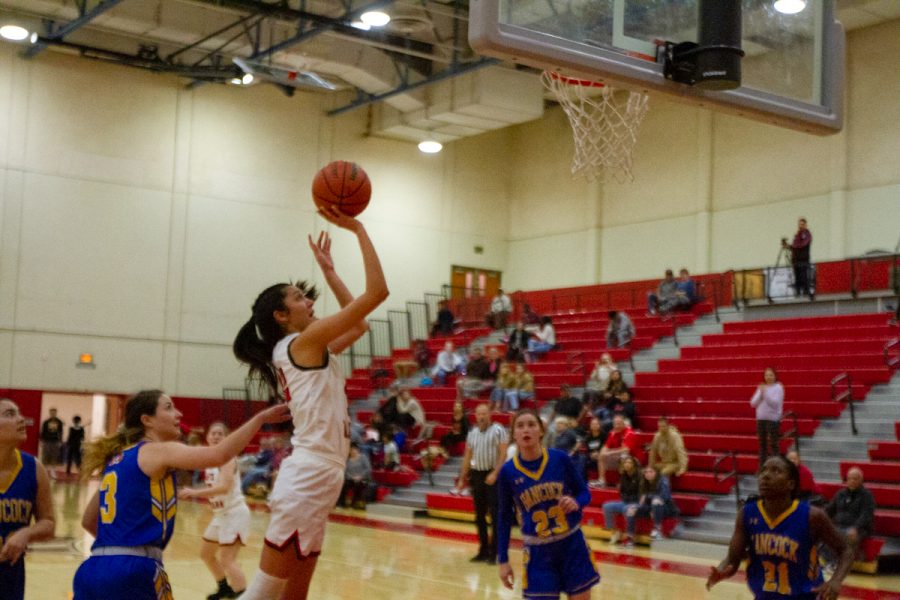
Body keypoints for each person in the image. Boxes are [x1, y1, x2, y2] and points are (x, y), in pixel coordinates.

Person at [231, 208, 389, 600]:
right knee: (264, 594)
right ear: (281, 315)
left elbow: (359, 325)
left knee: (294, 594)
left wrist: (331, 272)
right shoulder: (303, 343)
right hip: (309, 473)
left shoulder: (307, 346)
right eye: (300, 298)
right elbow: (376, 294)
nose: (310, 302)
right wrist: (358, 229)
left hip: (322, 473)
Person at [72, 390, 290, 600]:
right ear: (147, 420)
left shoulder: (117, 460)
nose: (179, 414)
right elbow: (219, 454)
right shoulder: (157, 450)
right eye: (169, 408)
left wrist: (118, 545)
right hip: (134, 570)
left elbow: (89, 520)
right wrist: (260, 418)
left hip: (93, 569)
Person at [707, 455, 852, 600]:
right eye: (763, 471)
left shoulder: (812, 516)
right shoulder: (747, 514)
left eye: (776, 471)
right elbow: (733, 560)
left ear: (791, 484)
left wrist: (835, 581)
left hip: (805, 596)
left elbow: (846, 550)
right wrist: (721, 570)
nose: (766, 476)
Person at [496, 409, 599, 599]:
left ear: (541, 431)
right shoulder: (507, 472)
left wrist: (576, 502)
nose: (526, 430)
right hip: (538, 552)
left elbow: (585, 493)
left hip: (572, 545)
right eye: (520, 426)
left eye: (531, 425)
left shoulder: (560, 459)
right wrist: (503, 559)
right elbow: (503, 517)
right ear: (514, 435)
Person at [179, 422, 253, 600]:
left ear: (226, 438)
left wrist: (195, 492)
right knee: (206, 554)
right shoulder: (211, 460)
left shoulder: (228, 458)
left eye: (220, 433)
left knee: (228, 560)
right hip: (221, 515)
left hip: (235, 512)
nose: (216, 436)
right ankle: (224, 589)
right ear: (207, 437)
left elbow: (224, 487)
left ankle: (244, 596)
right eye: (213, 433)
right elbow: (214, 485)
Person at [0, 398, 55, 600]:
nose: (21, 419)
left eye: (19, 413)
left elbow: (48, 524)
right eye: (9, 414)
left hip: (11, 574)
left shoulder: (33, 468)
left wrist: (26, 533)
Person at [451, 403, 508, 564]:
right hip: (477, 475)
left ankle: (495, 553)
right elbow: (468, 457)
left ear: (490, 414)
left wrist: (495, 473)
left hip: (493, 474)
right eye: (479, 414)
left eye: (484, 413)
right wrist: (462, 478)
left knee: (495, 516)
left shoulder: (498, 430)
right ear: (475, 416)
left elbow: (503, 454)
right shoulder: (472, 433)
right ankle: (483, 550)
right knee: (479, 516)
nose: (482, 416)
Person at [825, 467, 875, 561]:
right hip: (839, 526)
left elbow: (866, 515)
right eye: (850, 479)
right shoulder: (840, 494)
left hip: (859, 529)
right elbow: (829, 510)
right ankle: (829, 562)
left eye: (855, 479)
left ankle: (843, 564)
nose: (852, 481)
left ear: (861, 480)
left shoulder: (867, 496)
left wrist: (856, 528)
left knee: (849, 536)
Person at [601, 455, 641, 547]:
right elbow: (622, 492)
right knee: (607, 506)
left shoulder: (639, 477)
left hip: (636, 502)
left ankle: (630, 536)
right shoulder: (623, 476)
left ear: (634, 465)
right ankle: (615, 532)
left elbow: (640, 494)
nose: (627, 464)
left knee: (626, 509)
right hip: (625, 501)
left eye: (629, 462)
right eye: (625, 463)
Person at [631, 465, 676, 541]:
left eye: (651, 472)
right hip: (650, 507)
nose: (648, 474)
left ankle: (657, 529)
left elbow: (665, 496)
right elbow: (641, 499)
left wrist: (648, 497)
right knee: (630, 509)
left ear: (656, 473)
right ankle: (630, 536)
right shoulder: (643, 482)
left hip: (666, 508)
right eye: (646, 472)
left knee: (656, 501)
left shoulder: (663, 481)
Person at [751, 367, 784, 470]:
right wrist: (761, 393)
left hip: (773, 419)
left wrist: (765, 394)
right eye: (766, 375)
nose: (768, 377)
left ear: (775, 376)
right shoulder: (761, 387)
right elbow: (753, 403)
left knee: (773, 444)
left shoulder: (778, 387)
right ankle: (762, 468)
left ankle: (775, 467)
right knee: (762, 445)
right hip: (761, 419)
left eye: (771, 375)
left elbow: (775, 404)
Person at [596, 415, 637, 487]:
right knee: (601, 456)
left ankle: (623, 482)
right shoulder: (613, 433)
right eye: (615, 424)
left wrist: (610, 452)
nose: (617, 426)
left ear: (623, 423)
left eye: (619, 424)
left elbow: (626, 449)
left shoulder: (629, 433)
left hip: (633, 458)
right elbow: (605, 447)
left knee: (623, 456)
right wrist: (602, 453)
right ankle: (602, 481)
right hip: (618, 457)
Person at [783, 217, 813, 298]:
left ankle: (805, 293)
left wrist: (793, 246)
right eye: (799, 225)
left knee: (804, 277)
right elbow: (794, 247)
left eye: (802, 224)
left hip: (803, 260)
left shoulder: (807, 234)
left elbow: (803, 244)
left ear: (806, 225)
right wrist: (787, 246)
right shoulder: (797, 235)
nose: (800, 226)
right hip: (796, 260)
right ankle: (798, 293)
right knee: (797, 278)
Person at [337, 443, 372, 510]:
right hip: (350, 478)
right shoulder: (347, 460)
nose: (352, 451)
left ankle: (353, 504)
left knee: (358, 485)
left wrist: (360, 476)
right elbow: (345, 471)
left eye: (354, 449)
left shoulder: (363, 457)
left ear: (357, 450)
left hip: (362, 479)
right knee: (344, 484)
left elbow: (368, 469)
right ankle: (341, 503)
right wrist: (352, 477)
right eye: (350, 450)